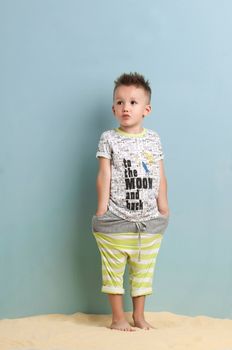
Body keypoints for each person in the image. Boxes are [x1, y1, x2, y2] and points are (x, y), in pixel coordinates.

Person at [92, 72, 169, 331]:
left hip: (148, 219)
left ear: (146, 109)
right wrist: (102, 209)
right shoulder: (109, 138)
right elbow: (104, 173)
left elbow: (160, 173)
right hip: (116, 216)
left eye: (133, 102)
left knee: (143, 270)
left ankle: (138, 316)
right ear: (113, 107)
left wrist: (163, 206)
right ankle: (117, 318)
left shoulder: (153, 139)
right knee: (113, 270)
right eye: (120, 102)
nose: (126, 107)